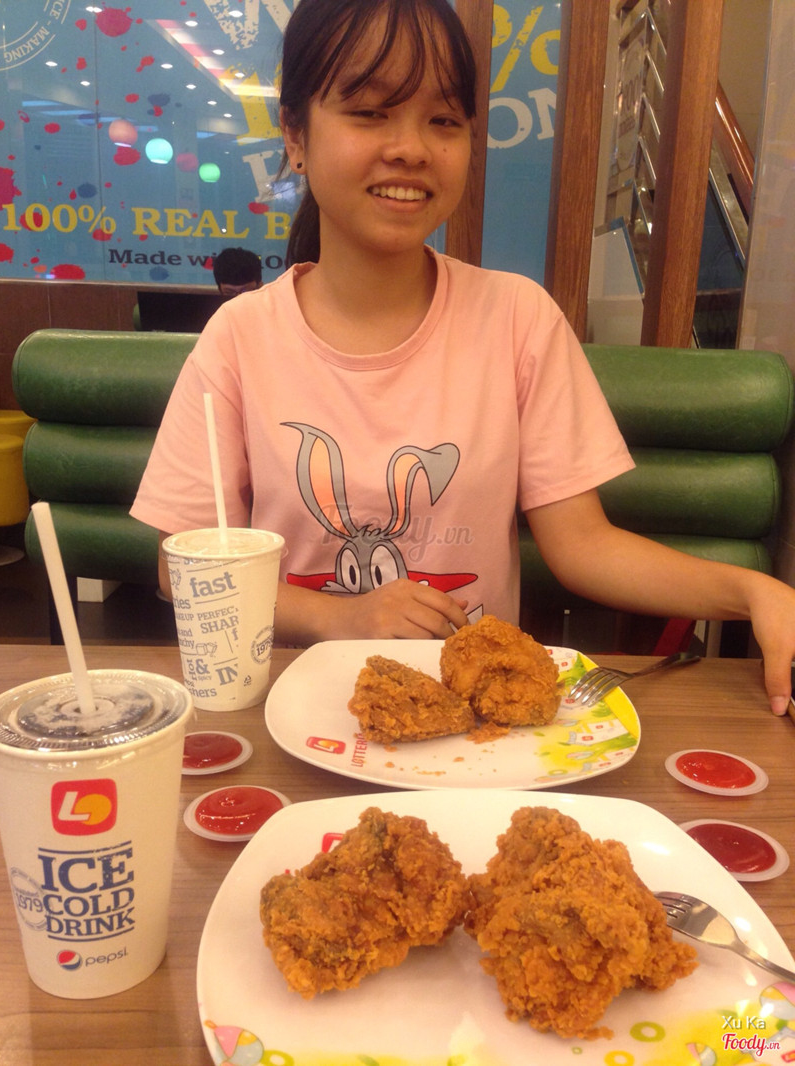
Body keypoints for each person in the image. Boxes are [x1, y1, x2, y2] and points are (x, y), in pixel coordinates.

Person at [131, 0, 795, 715]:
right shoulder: (240, 338)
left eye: (443, 120)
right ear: (295, 135)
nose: (411, 148)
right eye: (370, 112)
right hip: (296, 713)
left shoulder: (517, 320)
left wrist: (753, 592)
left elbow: (584, 546)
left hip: (476, 723)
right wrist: (340, 616)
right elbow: (180, 566)